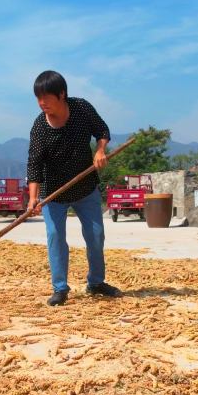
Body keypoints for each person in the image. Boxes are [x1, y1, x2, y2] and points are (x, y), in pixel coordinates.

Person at [26, 70, 121, 306]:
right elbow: (34, 164)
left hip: (85, 187)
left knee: (96, 235)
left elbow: (102, 131)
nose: (42, 103)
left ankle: (96, 283)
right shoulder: (40, 127)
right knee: (55, 237)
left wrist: (100, 150)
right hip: (53, 192)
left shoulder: (81, 108)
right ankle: (60, 288)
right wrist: (33, 198)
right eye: (38, 98)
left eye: (47, 97)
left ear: (62, 94)